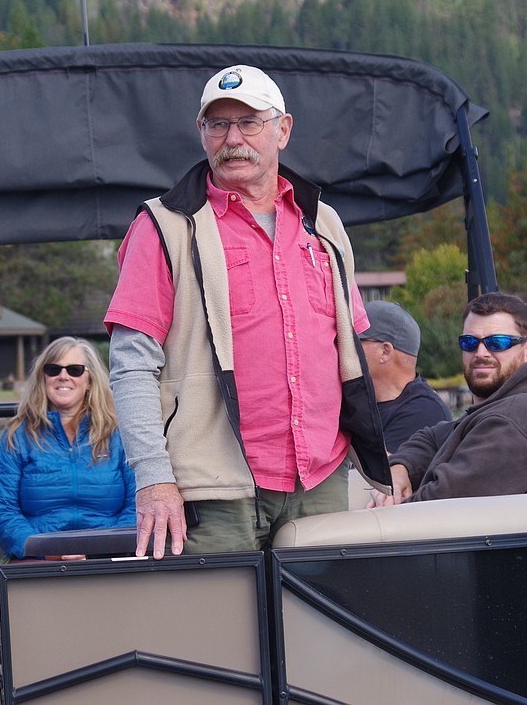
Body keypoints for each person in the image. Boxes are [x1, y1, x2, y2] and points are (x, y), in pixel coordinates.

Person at [105, 64, 387, 559]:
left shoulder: (324, 224)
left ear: (283, 129)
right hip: (211, 491)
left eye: (249, 122)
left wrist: (381, 466)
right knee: (211, 635)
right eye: (218, 125)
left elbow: (354, 356)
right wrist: (153, 480)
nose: (233, 138)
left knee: (322, 631)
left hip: (321, 478)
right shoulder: (162, 227)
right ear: (202, 134)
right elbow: (131, 365)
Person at [371, 292, 527, 505]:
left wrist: (385, 507)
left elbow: (439, 504)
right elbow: (431, 438)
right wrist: (400, 470)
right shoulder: (500, 408)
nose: (481, 352)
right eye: (470, 342)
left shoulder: (517, 421)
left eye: (497, 343)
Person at [0, 337, 136, 560]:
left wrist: (101, 549)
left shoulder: (119, 434)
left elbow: (139, 502)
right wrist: (45, 551)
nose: (63, 376)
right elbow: (0, 507)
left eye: (74, 370)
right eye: (53, 369)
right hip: (39, 562)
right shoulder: (17, 435)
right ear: (43, 378)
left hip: (106, 560)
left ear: (90, 380)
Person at [358, 300, 452, 452]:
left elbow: (380, 473)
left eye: (355, 341)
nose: (343, 348)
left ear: (385, 351)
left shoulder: (425, 413)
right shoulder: (359, 403)